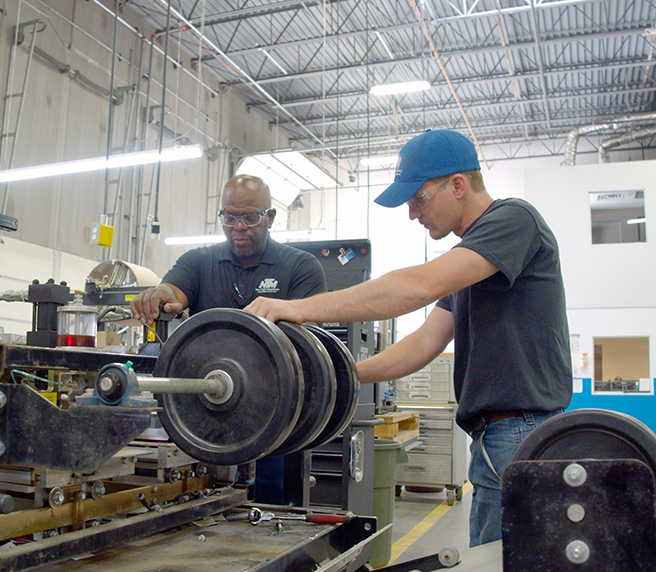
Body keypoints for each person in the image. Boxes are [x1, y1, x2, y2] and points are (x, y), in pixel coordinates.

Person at [244, 129, 572, 546]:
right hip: (497, 435)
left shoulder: (512, 221)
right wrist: (337, 376)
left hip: (520, 430)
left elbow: (416, 287)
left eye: (419, 198)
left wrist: (297, 307)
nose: (413, 214)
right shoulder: (474, 259)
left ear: (457, 185)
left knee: (504, 559)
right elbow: (423, 343)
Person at [131, 174, 327, 504]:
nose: (238, 227)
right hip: (211, 409)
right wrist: (161, 294)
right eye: (229, 217)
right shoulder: (199, 262)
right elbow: (173, 291)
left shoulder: (301, 267)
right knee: (204, 494)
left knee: (273, 499)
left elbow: (309, 343)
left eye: (250, 217)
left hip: (280, 412)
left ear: (270, 217)